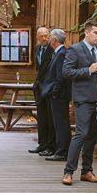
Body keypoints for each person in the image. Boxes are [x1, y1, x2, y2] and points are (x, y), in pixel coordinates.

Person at [61, 21, 97, 186]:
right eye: (96, 33)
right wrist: (87, 70)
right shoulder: (75, 50)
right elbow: (66, 72)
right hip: (82, 100)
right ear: (87, 33)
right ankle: (68, 172)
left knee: (92, 137)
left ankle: (87, 171)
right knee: (81, 134)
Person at [41, 29, 71, 162]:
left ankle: (62, 151)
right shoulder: (58, 53)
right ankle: (59, 149)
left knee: (61, 123)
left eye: (51, 38)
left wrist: (54, 93)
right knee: (58, 123)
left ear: (54, 40)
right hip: (58, 94)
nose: (49, 40)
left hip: (59, 95)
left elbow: (60, 77)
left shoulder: (61, 54)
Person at [29, 26, 54, 154]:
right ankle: (42, 144)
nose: (44, 38)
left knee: (50, 118)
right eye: (42, 36)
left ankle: (50, 146)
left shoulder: (53, 49)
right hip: (39, 87)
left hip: (49, 87)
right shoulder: (37, 48)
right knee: (41, 117)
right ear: (37, 37)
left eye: (46, 36)